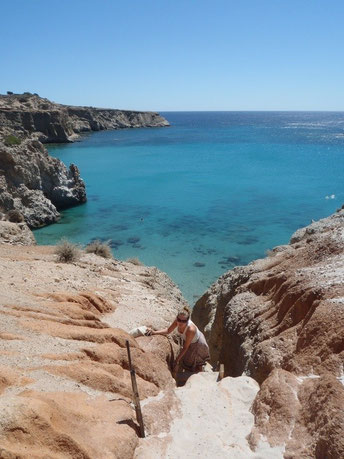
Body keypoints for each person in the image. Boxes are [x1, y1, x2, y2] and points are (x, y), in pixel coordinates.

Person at [145, 306, 210, 373]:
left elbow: (185, 347)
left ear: (187, 320)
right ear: (177, 318)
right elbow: (168, 330)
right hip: (188, 340)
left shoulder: (191, 329)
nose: (180, 323)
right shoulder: (177, 321)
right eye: (179, 320)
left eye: (183, 321)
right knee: (187, 361)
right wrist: (154, 332)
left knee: (196, 363)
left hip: (198, 343)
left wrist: (177, 360)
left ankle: (200, 374)